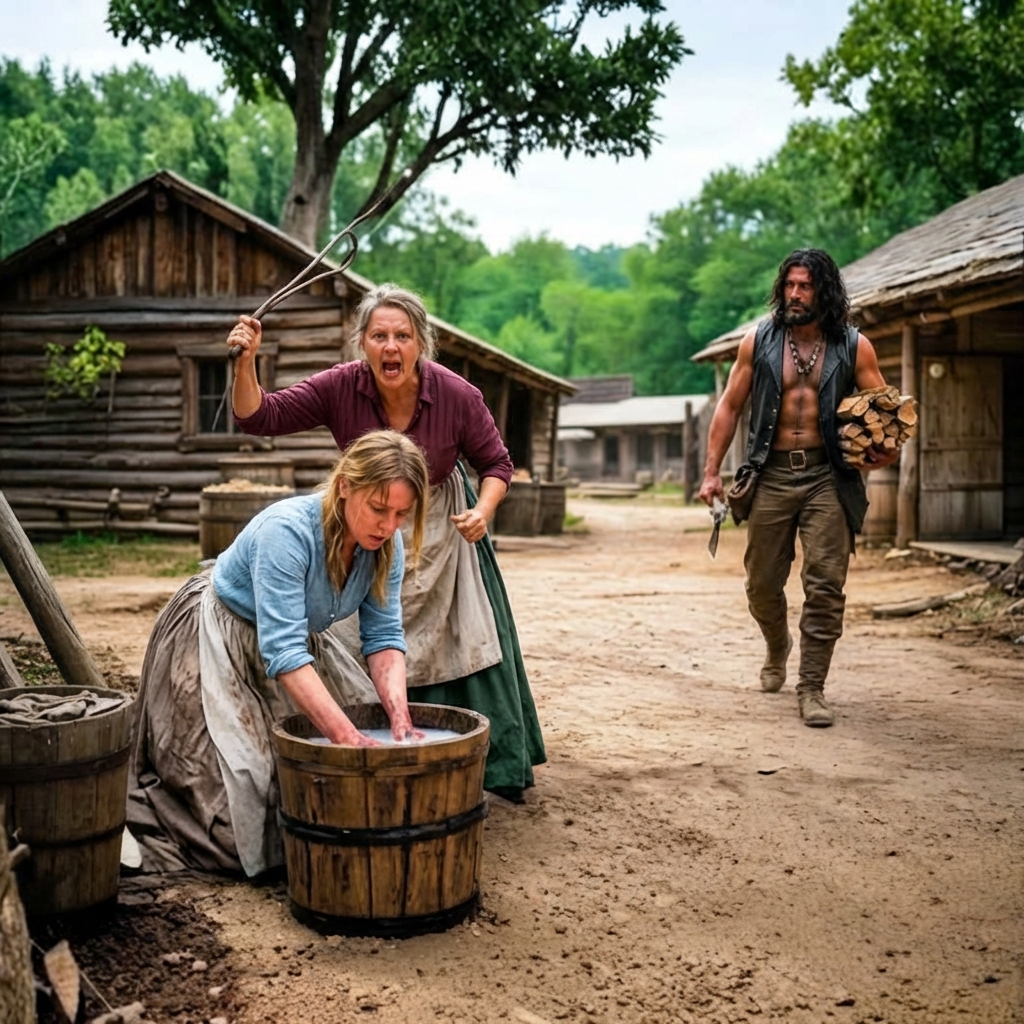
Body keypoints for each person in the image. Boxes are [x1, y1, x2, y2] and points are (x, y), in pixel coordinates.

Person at [224, 283, 545, 801]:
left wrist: (481, 511)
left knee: (457, 637)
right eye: (379, 336)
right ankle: (361, 735)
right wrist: (246, 363)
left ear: (422, 343)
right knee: (353, 634)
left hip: (440, 519)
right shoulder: (340, 388)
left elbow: (497, 464)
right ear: (362, 343)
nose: (390, 347)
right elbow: (259, 416)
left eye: (402, 336)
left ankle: (485, 763)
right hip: (360, 517)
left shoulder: (457, 396)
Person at [128, 430, 430, 875]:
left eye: (402, 514)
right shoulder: (286, 532)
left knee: (344, 746)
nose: (388, 525)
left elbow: (384, 636)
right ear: (345, 485)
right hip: (217, 634)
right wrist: (348, 741)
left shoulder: (386, 545)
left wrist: (399, 718)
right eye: (379, 508)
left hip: (290, 641)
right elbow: (285, 652)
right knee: (243, 799)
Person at [698, 249, 899, 728]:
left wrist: (886, 449)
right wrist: (710, 472)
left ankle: (812, 687)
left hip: (829, 476)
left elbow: (885, 411)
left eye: (805, 286)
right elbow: (728, 407)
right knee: (762, 584)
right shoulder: (758, 341)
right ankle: (777, 644)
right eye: (789, 284)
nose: (794, 294)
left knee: (826, 585)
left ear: (823, 290)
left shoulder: (854, 346)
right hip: (769, 474)